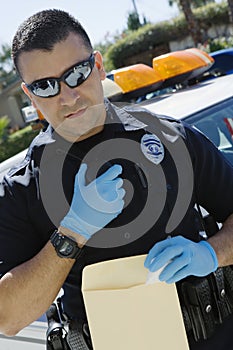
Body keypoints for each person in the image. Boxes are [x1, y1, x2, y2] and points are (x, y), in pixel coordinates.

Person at [0, 8, 233, 350]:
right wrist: (72, 232)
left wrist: (211, 252)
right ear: (30, 95)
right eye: (46, 86)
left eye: (76, 73)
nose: (67, 96)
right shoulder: (22, 187)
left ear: (97, 65)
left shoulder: (172, 138)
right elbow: (10, 316)